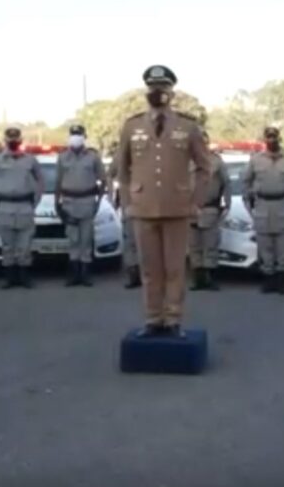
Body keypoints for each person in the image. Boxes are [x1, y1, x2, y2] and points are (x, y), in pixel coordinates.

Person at [116, 65, 211, 336]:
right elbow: (122, 170)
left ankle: (173, 320)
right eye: (153, 88)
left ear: (172, 91)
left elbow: (205, 167)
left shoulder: (187, 126)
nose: (158, 93)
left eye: (163, 88)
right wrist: (127, 202)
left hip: (177, 207)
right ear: (146, 91)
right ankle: (152, 319)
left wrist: (197, 201)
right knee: (149, 269)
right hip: (143, 207)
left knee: (175, 269)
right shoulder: (131, 126)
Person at [243, 126, 284, 294]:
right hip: (263, 205)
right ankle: (269, 281)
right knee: (265, 246)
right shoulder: (256, 160)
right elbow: (246, 181)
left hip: (283, 204)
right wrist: (248, 203)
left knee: (283, 246)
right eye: (268, 137)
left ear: (279, 139)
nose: (271, 140)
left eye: (274, 137)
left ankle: (282, 281)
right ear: (265, 140)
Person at [0, 127, 45, 289]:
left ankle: (24, 277)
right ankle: (10, 278)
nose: (13, 142)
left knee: (24, 245)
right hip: (4, 206)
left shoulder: (30, 160)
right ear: (5, 141)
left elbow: (40, 180)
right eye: (10, 140)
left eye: (15, 140)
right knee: (7, 244)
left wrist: (37, 200)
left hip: (25, 205)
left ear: (21, 140)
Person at [55, 124, 106, 287]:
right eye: (73, 134)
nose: (76, 137)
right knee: (73, 239)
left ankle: (85, 274)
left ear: (84, 137)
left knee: (86, 239)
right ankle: (73, 274)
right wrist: (57, 202)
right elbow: (58, 181)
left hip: (87, 201)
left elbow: (103, 179)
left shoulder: (93, 157)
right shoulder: (62, 157)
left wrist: (99, 199)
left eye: (79, 134)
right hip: (69, 202)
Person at [190, 131, 231, 291]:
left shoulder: (216, 161)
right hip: (191, 209)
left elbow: (226, 183)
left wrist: (227, 203)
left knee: (210, 244)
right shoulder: (186, 160)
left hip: (210, 208)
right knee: (194, 246)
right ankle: (197, 278)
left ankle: (210, 278)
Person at [110, 150, 142, 289]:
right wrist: (113, 196)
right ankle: (134, 273)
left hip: (145, 206)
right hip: (130, 206)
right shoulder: (120, 156)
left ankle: (143, 273)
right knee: (131, 242)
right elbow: (110, 175)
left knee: (144, 243)